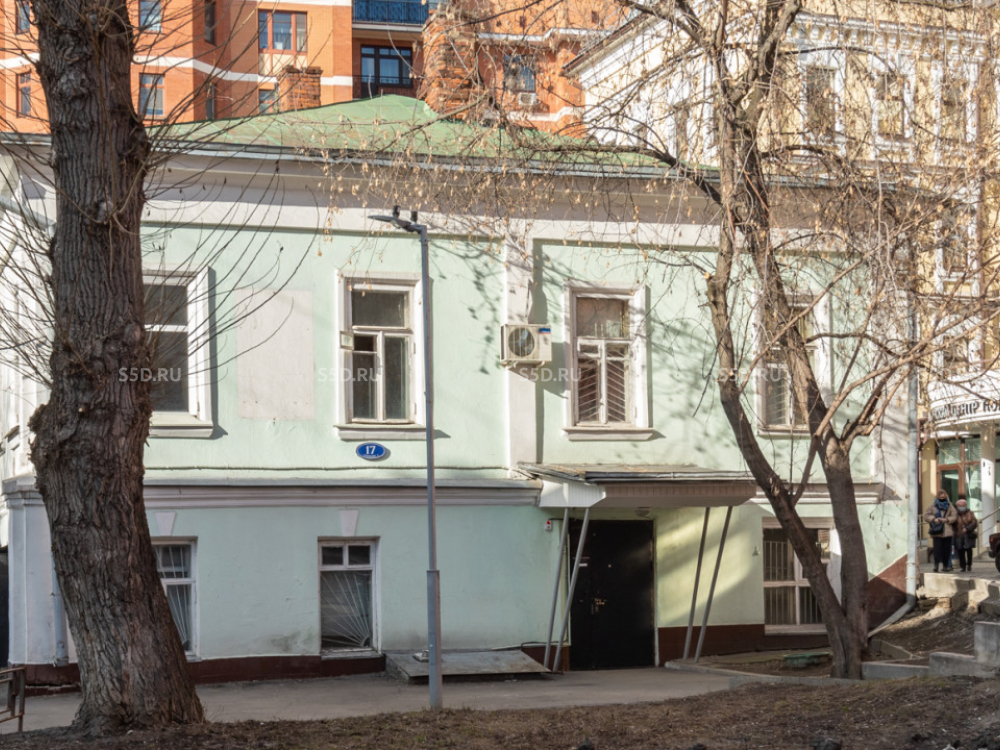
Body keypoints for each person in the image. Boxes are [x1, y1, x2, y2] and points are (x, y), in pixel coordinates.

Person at [924, 490, 958, 572]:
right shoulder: (933, 505)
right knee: (937, 550)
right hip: (937, 531)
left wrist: (947, 519)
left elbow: (954, 516)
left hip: (947, 531)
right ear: (937, 497)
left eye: (943, 497)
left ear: (946, 496)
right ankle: (936, 566)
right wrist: (934, 519)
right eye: (940, 497)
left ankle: (945, 566)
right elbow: (926, 515)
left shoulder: (949, 505)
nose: (942, 499)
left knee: (946, 550)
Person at [953, 495, 979, 573]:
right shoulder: (955, 514)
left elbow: (974, 522)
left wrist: (967, 528)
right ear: (957, 506)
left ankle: (969, 565)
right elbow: (953, 524)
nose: (962, 507)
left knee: (969, 550)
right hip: (959, 534)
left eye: (963, 505)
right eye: (960, 506)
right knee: (960, 551)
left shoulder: (970, 513)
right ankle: (963, 566)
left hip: (968, 534)